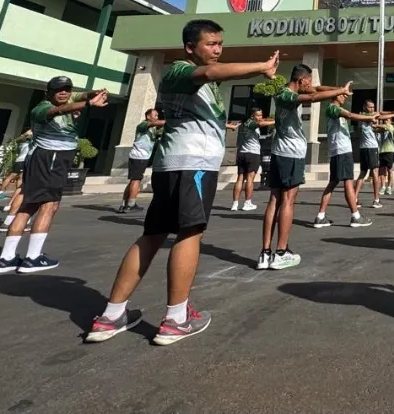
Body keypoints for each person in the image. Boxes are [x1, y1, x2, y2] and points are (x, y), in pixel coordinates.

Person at [86, 20, 279, 345]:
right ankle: (176, 319)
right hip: (193, 166)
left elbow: (214, 76)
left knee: (153, 234)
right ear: (190, 47)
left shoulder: (199, 79)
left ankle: (112, 315)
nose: (217, 50)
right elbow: (210, 73)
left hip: (175, 165)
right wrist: (261, 66)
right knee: (189, 233)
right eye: (210, 44)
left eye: (220, 43)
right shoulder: (180, 70)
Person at [0, 78, 108, 274]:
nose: (63, 93)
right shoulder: (41, 108)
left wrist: (95, 93)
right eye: (58, 90)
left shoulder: (69, 97)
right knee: (49, 205)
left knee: (28, 205)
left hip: (46, 158)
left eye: (67, 89)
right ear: (48, 93)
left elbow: (82, 95)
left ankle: (6, 258)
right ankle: (32, 258)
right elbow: (57, 111)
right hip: (51, 158)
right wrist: (89, 104)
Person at [258, 67, 352, 271]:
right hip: (290, 154)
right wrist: (339, 92)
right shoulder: (288, 96)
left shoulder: (284, 89)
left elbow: (316, 89)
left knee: (274, 199)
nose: (310, 85)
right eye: (308, 81)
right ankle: (281, 252)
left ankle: (265, 254)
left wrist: (339, 88)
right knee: (287, 200)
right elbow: (313, 97)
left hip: (279, 152)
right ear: (301, 80)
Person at [313, 91, 378, 229]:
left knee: (333, 183)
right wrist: (368, 118)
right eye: (343, 95)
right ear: (336, 95)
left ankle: (320, 216)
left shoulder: (336, 110)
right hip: (342, 151)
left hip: (339, 151)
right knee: (348, 182)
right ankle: (356, 216)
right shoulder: (333, 108)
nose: (345, 98)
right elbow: (350, 115)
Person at [121, 109, 165, 214]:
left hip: (144, 157)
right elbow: (155, 123)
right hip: (139, 156)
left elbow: (161, 131)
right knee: (136, 180)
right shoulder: (143, 125)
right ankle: (130, 205)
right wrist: (170, 121)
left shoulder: (153, 129)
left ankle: (125, 204)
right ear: (148, 116)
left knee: (134, 180)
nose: (157, 117)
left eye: (157, 115)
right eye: (155, 115)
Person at [230, 107, 273, 211]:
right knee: (249, 179)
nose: (260, 117)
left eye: (261, 115)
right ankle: (247, 203)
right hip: (252, 154)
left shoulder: (245, 122)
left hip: (242, 153)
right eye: (257, 115)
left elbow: (262, 121)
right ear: (252, 116)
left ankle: (235, 204)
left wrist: (268, 119)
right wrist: (276, 121)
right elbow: (261, 123)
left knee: (240, 178)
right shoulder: (251, 123)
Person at [0, 130, 31, 202]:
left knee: (19, 177)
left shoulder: (22, 144)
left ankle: (16, 194)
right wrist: (27, 134)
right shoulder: (29, 144)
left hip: (18, 161)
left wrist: (25, 134)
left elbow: (20, 139)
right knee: (14, 177)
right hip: (23, 161)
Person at [377, 117, 394, 195]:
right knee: (382, 170)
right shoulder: (382, 129)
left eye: (387, 120)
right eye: (384, 120)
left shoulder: (390, 127)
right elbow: (375, 130)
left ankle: (389, 187)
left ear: (390, 121)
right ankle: (383, 187)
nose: (385, 121)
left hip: (389, 151)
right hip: (381, 151)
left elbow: (381, 126)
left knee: (389, 170)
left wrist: (375, 125)